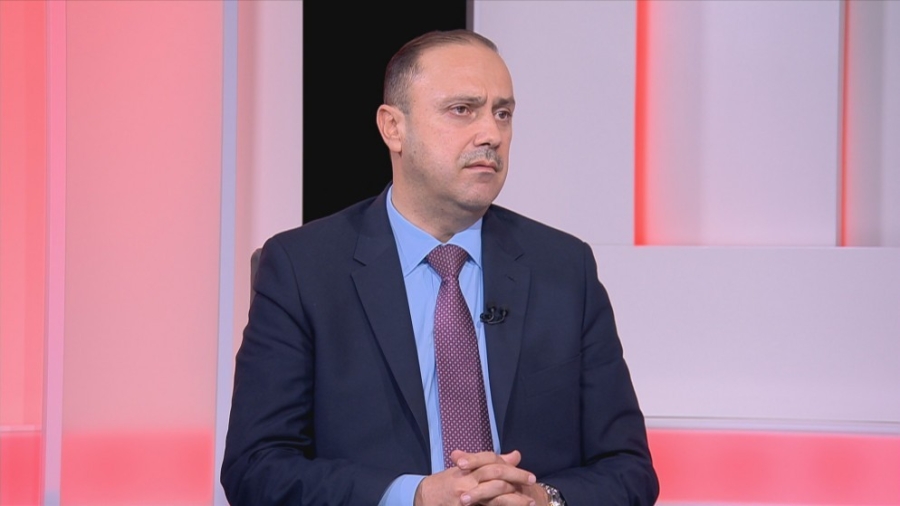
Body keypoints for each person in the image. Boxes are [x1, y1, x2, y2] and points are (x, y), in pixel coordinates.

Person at [221, 29, 659, 506]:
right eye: (462, 110)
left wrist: (544, 498)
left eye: (503, 113)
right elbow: (256, 468)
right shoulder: (303, 268)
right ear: (394, 128)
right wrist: (414, 496)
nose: (491, 134)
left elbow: (629, 470)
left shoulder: (565, 268)